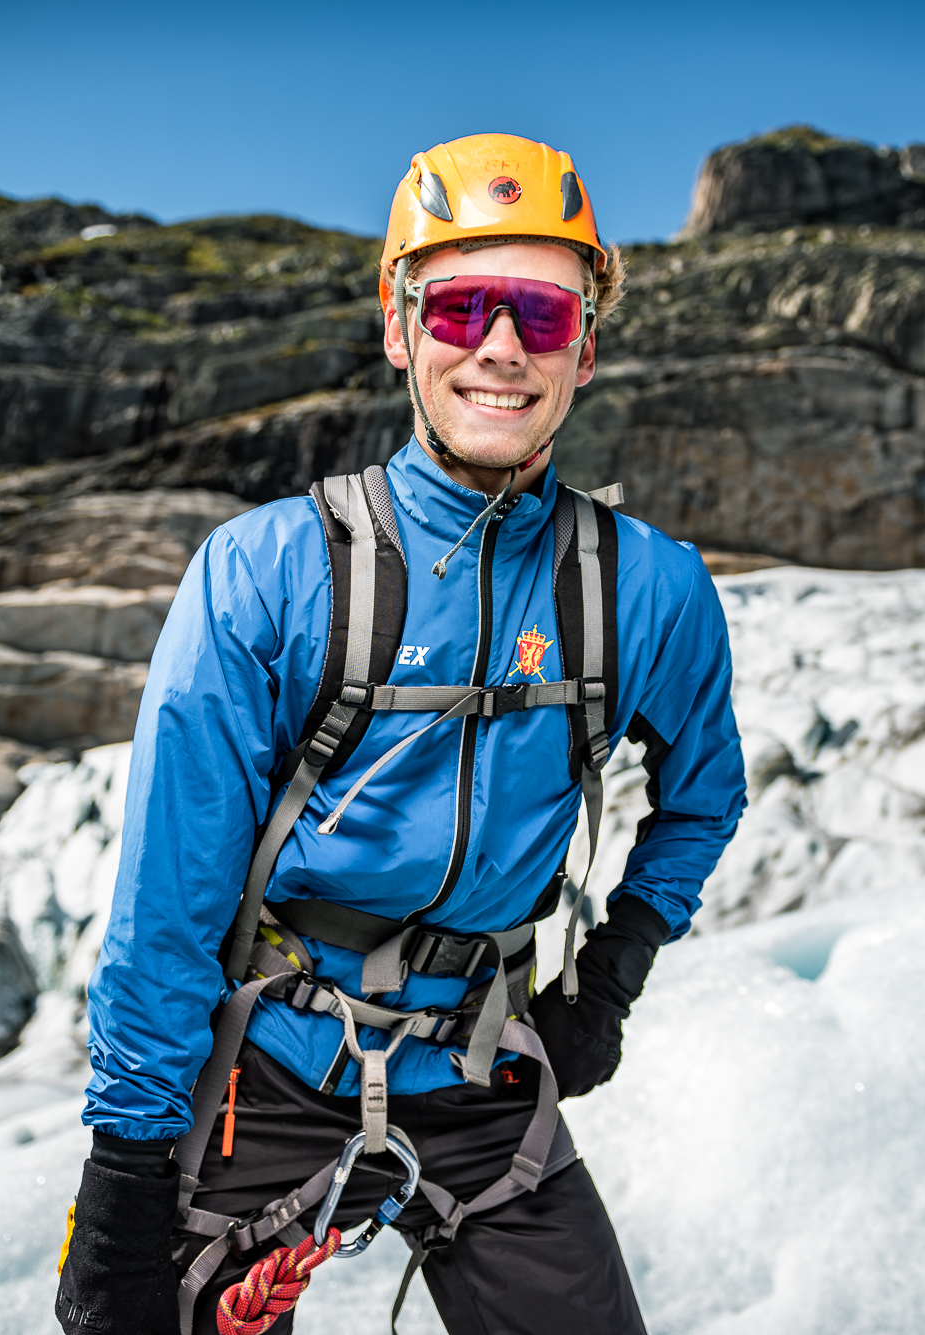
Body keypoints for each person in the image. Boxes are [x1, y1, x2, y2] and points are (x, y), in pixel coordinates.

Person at [55, 133, 746, 1335]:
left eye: (542, 312)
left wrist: (610, 976)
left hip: (481, 1065)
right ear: (398, 325)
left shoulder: (646, 589)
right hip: (270, 1059)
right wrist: (126, 1162)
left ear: (584, 348)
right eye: (461, 306)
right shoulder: (270, 571)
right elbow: (169, 897)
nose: (500, 347)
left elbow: (703, 796)